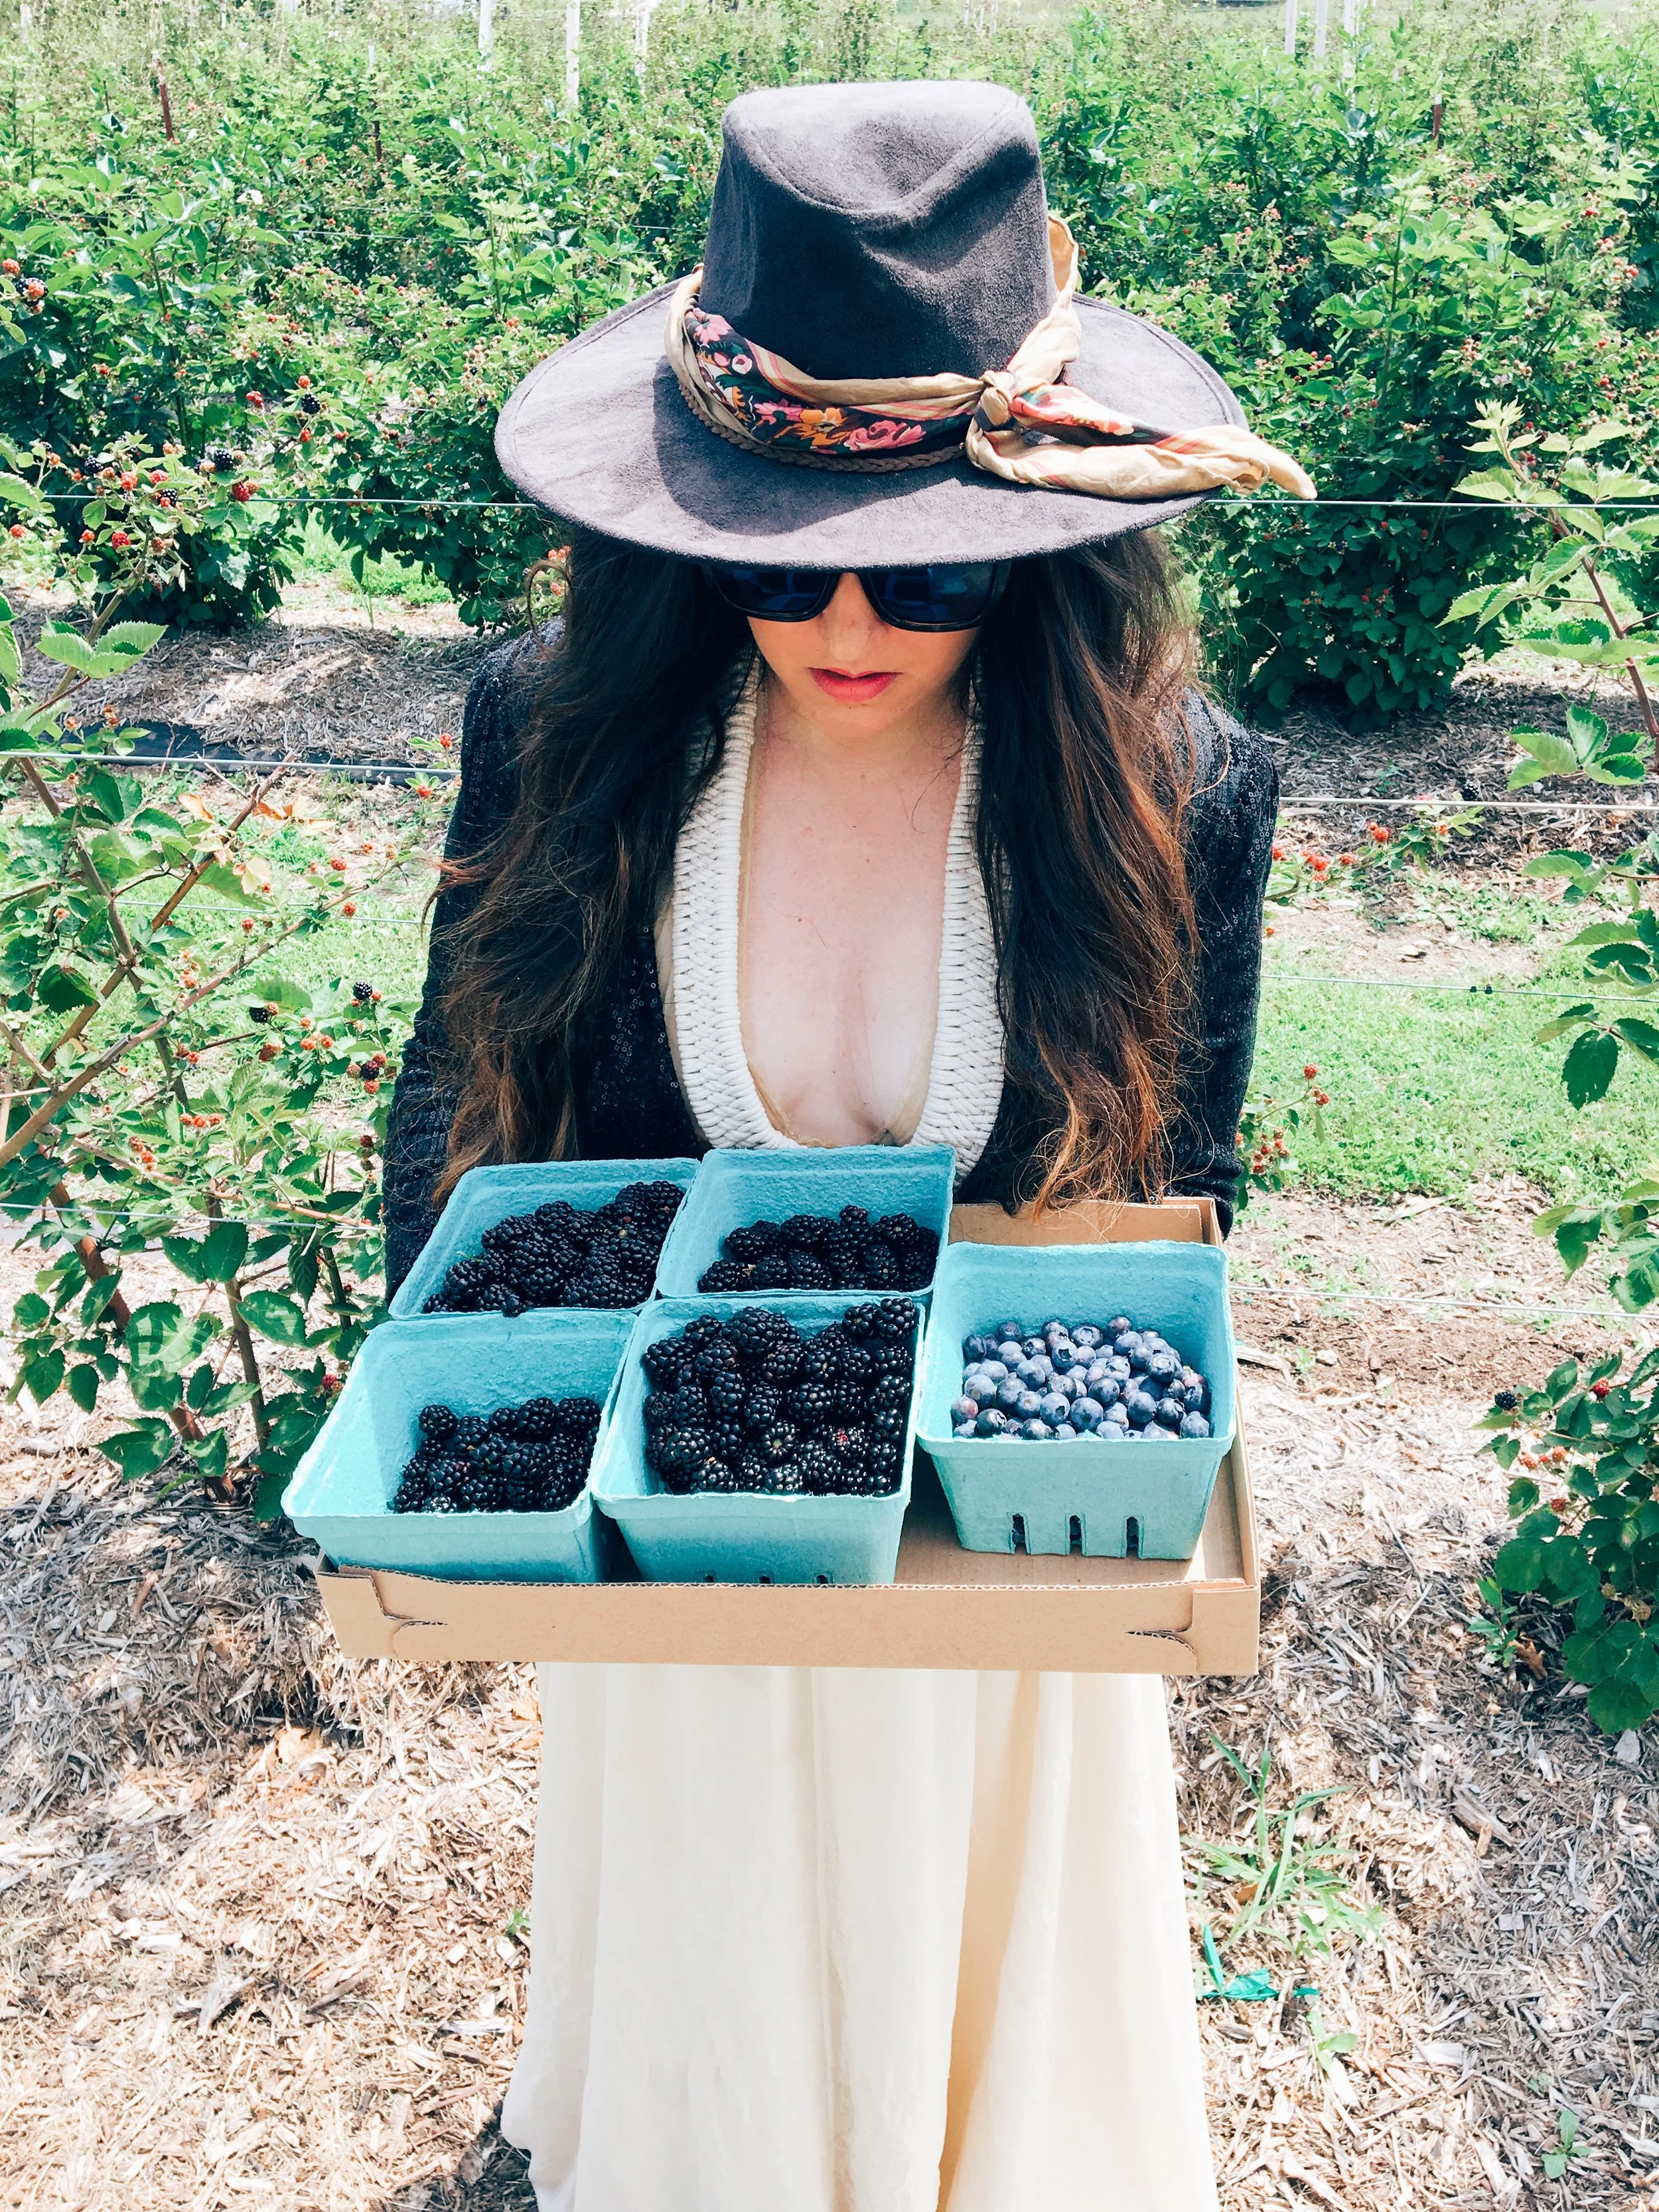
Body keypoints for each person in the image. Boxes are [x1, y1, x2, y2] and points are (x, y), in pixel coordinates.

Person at [384, 77, 1307, 2212]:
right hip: (685, 1525)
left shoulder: (1175, 797)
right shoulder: (566, 737)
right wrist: (433, 1379)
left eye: (939, 568)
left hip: (995, 1568)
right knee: (718, 1996)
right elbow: (461, 1084)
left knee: (972, 2003)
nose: (854, 625)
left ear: (1051, 546)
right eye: (775, 573)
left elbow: (1180, 1190)